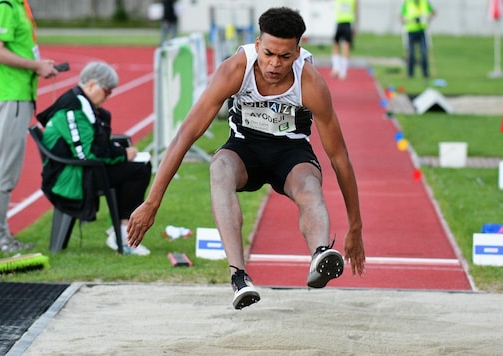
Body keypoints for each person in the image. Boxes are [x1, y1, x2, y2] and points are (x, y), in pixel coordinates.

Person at [127, 7, 366, 309]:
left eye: (285, 56)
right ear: (257, 45)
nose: (274, 64)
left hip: (290, 151)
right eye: (268, 53)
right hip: (245, 148)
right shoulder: (234, 70)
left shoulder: (310, 83)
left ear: (298, 51)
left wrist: (355, 226)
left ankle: (319, 254)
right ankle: (239, 276)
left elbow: (339, 157)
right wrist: (152, 202)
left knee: (309, 185)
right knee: (220, 168)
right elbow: (185, 136)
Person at [37, 61, 152, 256]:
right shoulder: (72, 109)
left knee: (139, 166)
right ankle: (122, 234)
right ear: (91, 85)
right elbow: (86, 153)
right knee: (138, 169)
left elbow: (95, 144)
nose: (108, 96)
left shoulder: (84, 105)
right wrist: (122, 154)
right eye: (107, 91)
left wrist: (119, 152)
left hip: (83, 169)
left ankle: (122, 231)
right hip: (70, 176)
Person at [0, 0, 59, 253]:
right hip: (9, 95)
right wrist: (36, 65)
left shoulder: (18, 4)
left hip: (17, 94)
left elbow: (17, 48)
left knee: (7, 168)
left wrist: (37, 64)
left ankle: (1, 234)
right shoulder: (4, 5)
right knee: (4, 169)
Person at [399, 0, 436, 79]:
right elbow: (401, 17)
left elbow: (433, 12)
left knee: (423, 52)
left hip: (422, 31)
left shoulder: (424, 2)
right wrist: (408, 20)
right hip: (411, 31)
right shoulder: (408, 3)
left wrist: (427, 20)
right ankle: (410, 74)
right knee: (411, 53)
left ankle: (425, 74)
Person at [330, 0, 358, 80]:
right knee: (340, 46)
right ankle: (339, 70)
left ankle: (339, 70)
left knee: (340, 46)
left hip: (343, 23)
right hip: (344, 23)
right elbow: (355, 12)